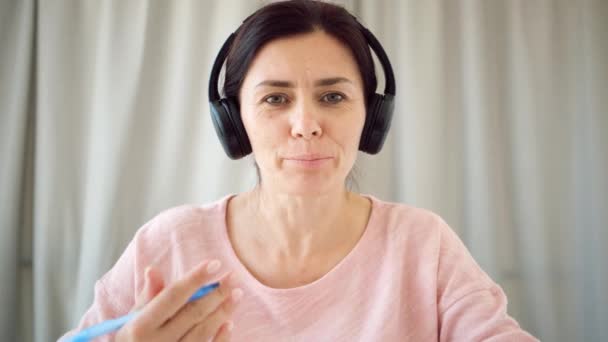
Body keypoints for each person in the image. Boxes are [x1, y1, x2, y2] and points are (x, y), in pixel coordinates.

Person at [61, 0, 538, 341]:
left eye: (333, 96)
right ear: (234, 120)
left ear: (371, 116)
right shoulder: (169, 245)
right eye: (275, 99)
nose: (306, 125)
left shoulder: (422, 244)